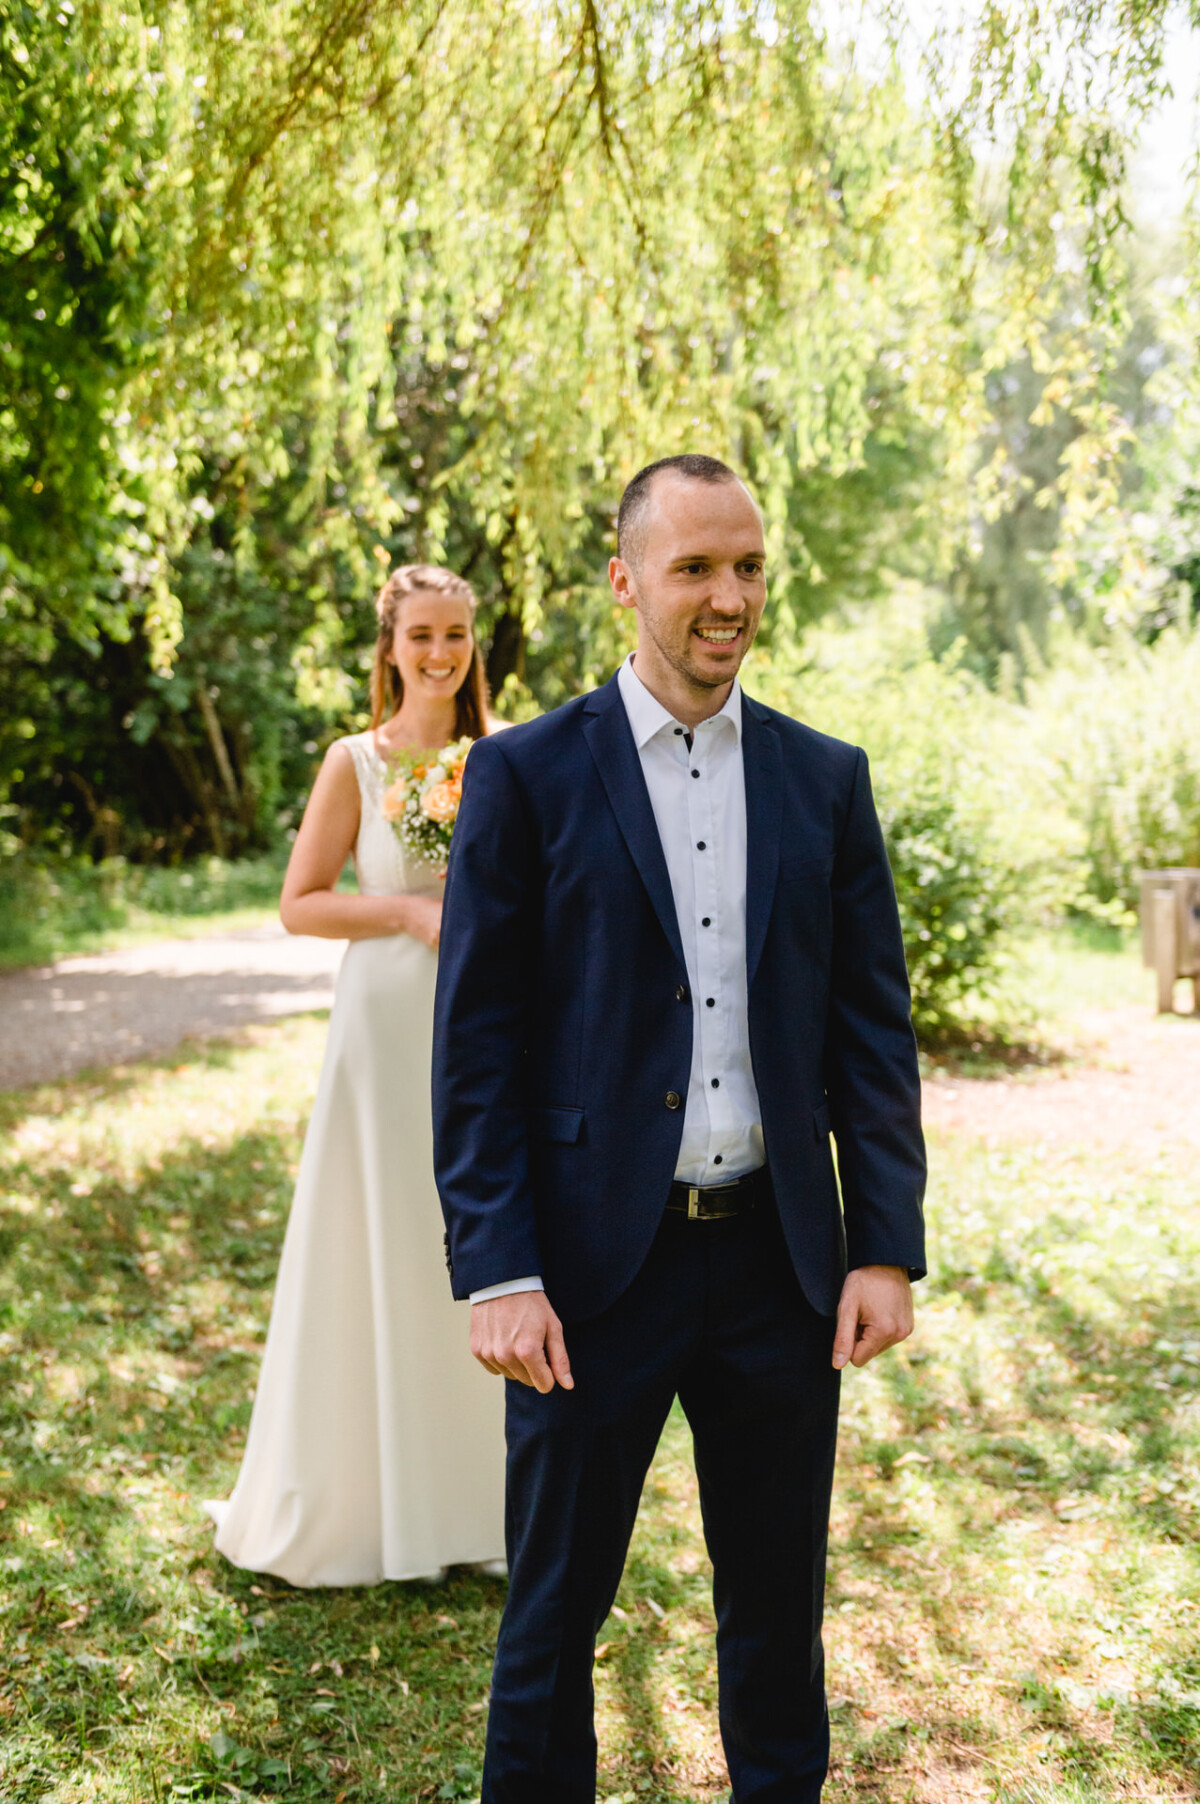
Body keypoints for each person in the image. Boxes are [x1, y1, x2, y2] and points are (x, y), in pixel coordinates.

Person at [432, 457, 927, 1800]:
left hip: (780, 1267)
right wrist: (499, 1267)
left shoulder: (825, 780)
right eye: (697, 567)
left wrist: (882, 1243)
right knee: (552, 1621)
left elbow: (872, 1036)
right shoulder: (527, 776)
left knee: (776, 1621)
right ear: (627, 581)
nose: (728, 596)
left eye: (749, 565)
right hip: (593, 1272)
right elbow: (474, 1047)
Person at [205, 564, 506, 1587]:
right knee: (385, 1233)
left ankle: (476, 1504)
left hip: (486, 1019)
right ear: (389, 645)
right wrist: (411, 911)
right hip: (383, 1022)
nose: (440, 652)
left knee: (469, 1236)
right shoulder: (356, 762)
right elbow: (302, 901)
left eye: (457, 633)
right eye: (422, 633)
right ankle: (374, 1502)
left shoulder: (504, 757)